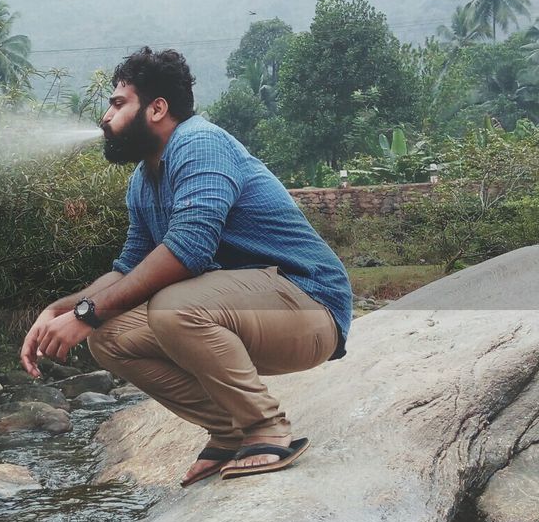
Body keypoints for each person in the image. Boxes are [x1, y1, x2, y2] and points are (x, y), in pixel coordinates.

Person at [19, 47, 352, 485]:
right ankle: (230, 430)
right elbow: (128, 269)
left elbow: (189, 250)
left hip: (310, 307)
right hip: (249, 312)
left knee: (172, 305)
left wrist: (88, 310)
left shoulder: (200, 143)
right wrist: (66, 309)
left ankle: (265, 429)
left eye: (118, 104)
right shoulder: (144, 180)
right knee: (109, 336)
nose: (105, 117)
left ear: (157, 108)